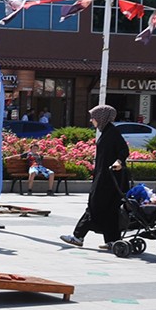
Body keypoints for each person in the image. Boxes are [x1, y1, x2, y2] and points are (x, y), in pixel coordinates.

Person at [61, 104, 130, 248]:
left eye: (94, 117)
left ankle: (78, 236)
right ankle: (112, 241)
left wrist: (118, 162)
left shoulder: (112, 133)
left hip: (109, 179)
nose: (91, 120)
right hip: (106, 177)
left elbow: (123, 150)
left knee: (94, 206)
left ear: (101, 118)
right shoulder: (107, 132)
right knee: (110, 210)